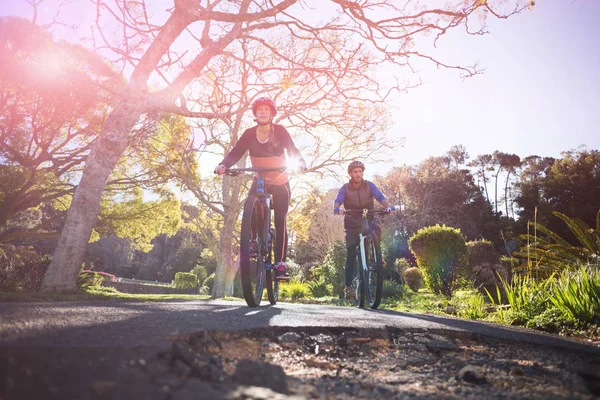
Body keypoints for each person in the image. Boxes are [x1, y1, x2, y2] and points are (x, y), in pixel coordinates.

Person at [215, 97, 306, 281]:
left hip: (280, 181)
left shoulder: (280, 131)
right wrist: (223, 164)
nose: (263, 112)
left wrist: (300, 162)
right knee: (250, 207)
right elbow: (236, 151)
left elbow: (292, 149)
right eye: (259, 110)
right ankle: (252, 243)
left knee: (280, 219)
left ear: (272, 113)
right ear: (255, 114)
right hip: (260, 178)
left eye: (266, 109)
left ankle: (280, 263)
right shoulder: (249, 133)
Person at [333, 160, 394, 299]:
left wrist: (388, 207)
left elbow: (380, 196)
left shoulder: (369, 185)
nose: (358, 174)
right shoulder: (345, 188)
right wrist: (337, 208)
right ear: (350, 173)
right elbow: (338, 199)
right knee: (350, 254)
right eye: (355, 172)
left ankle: (376, 256)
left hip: (367, 220)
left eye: (360, 171)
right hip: (351, 223)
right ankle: (348, 287)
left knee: (377, 229)